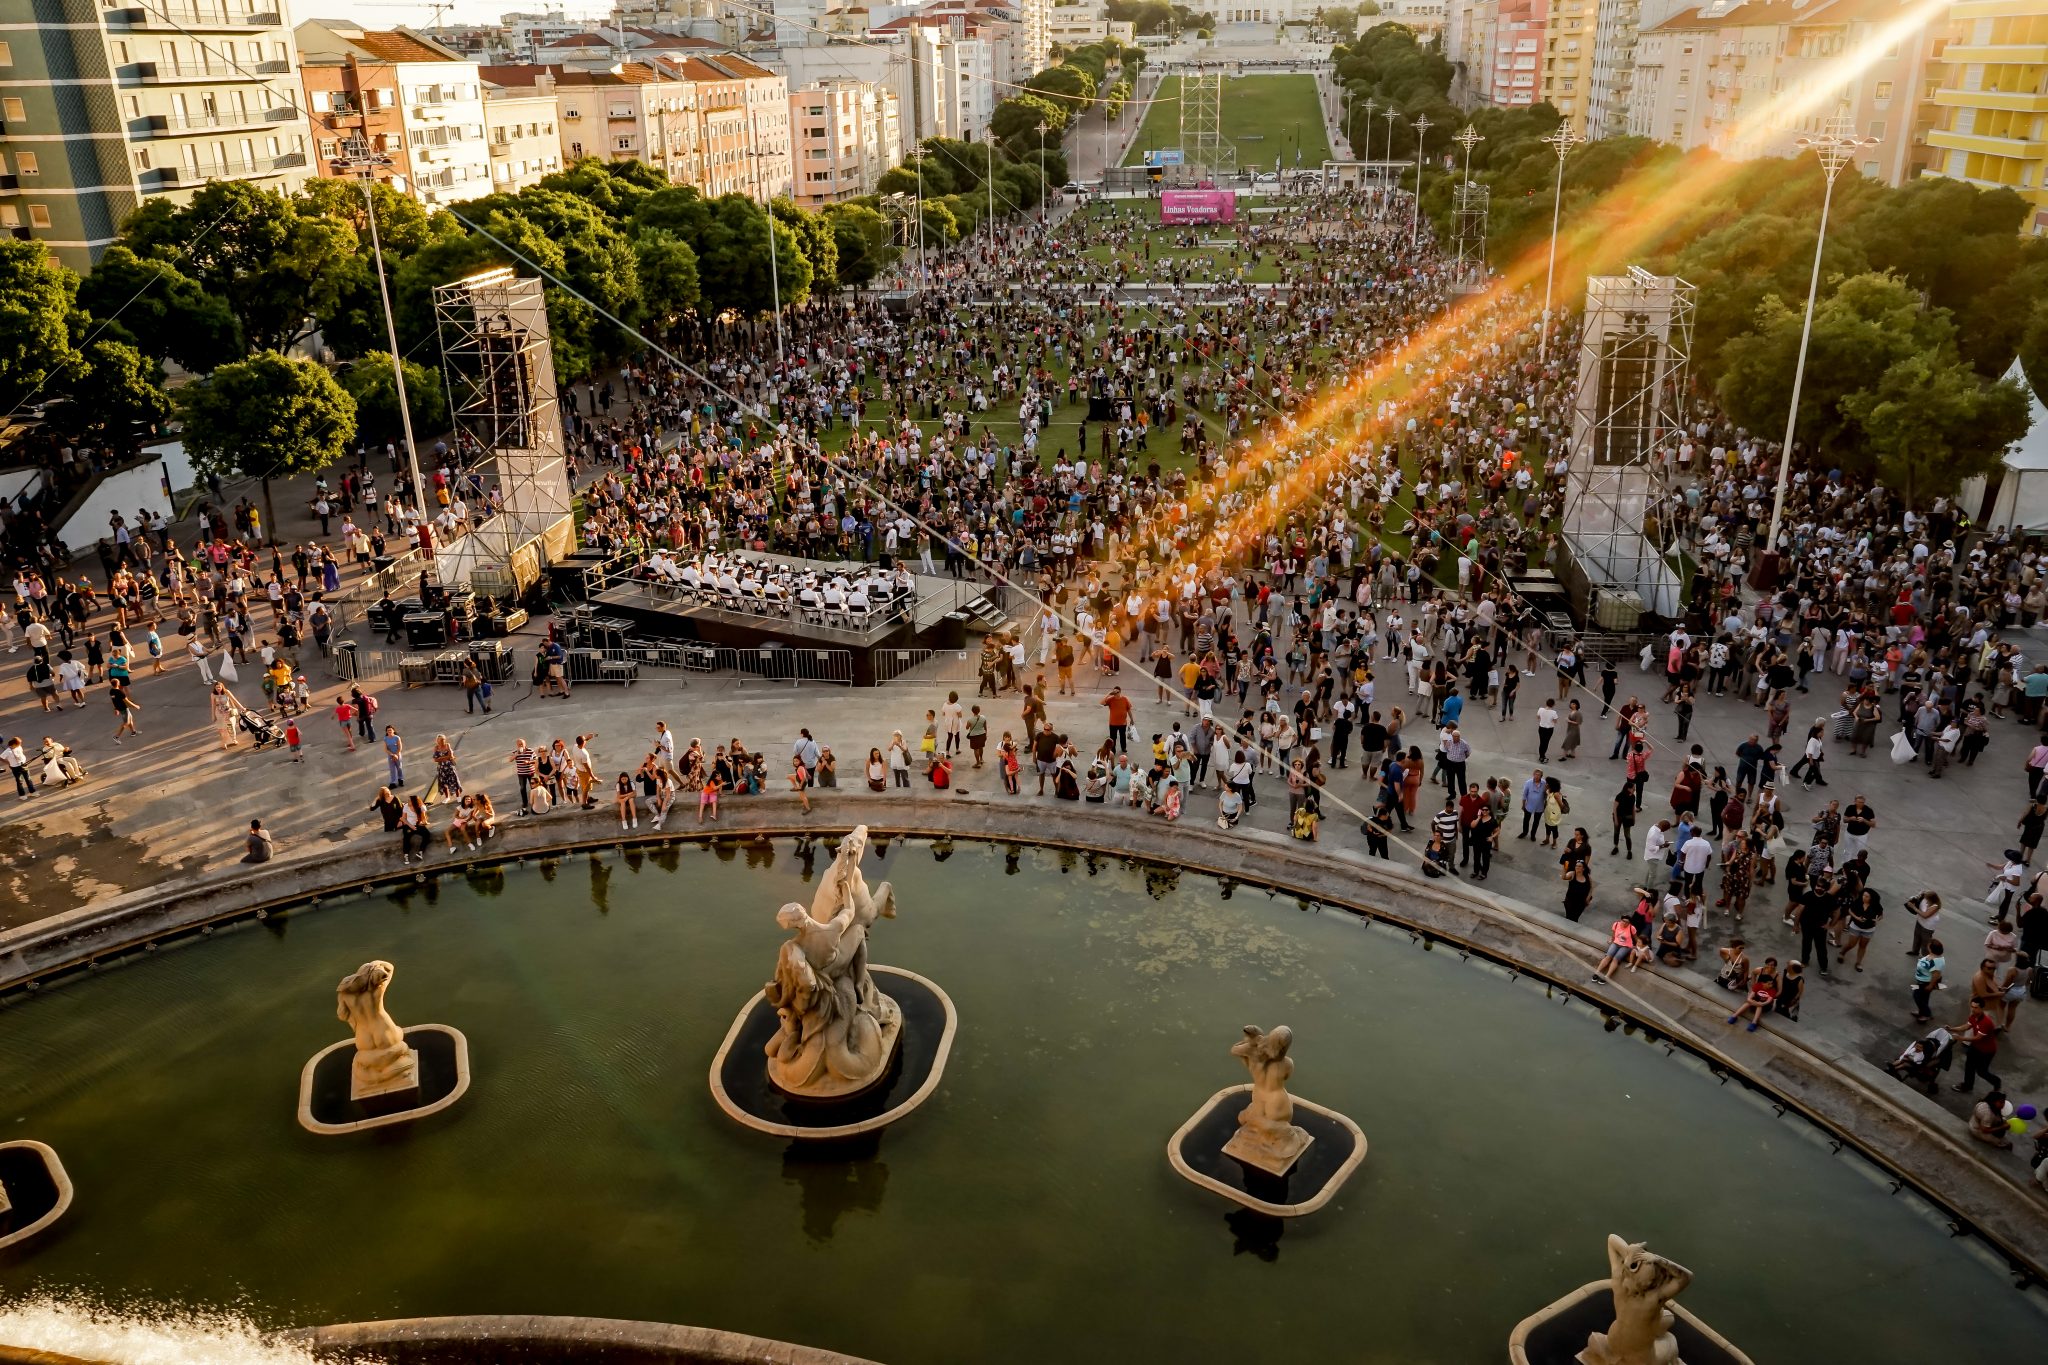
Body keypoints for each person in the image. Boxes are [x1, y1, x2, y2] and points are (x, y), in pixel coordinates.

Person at [1728, 957, 1780, 1031]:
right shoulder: (1758, 986)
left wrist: (1760, 1004)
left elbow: (1769, 1001)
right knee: (1747, 1003)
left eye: (1772, 984)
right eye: (1769, 984)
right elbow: (1750, 997)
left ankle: (1754, 1023)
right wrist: (1751, 1001)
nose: (1770, 985)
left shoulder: (1772, 990)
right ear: (1763, 983)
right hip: (1756, 1002)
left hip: (1765, 1005)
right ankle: (1734, 1016)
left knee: (1759, 1005)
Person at [1911, 939, 1945, 1023]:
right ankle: (1921, 1012)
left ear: (1931, 948)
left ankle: (1926, 1014)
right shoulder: (1932, 956)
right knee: (1924, 998)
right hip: (1922, 981)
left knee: (1917, 997)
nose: (1927, 946)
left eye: (1928, 945)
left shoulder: (1935, 961)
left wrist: (1930, 985)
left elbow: (1936, 975)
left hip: (1925, 983)